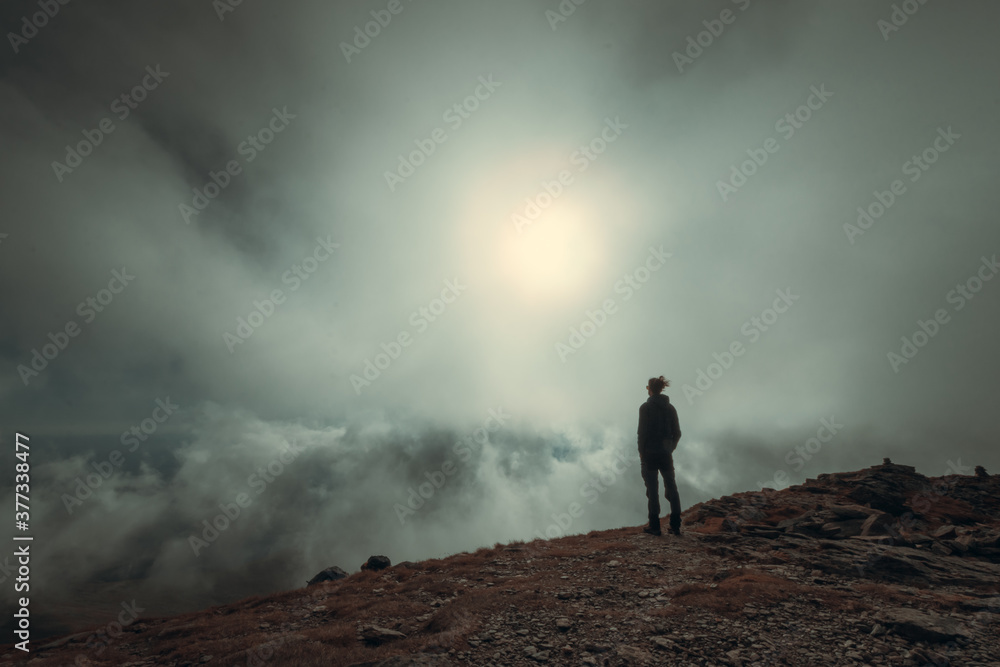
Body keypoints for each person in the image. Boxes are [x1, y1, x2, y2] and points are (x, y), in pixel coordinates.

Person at [637, 376, 682, 536]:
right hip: (665, 454)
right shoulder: (671, 408)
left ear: (649, 388)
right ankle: (676, 525)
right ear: (661, 389)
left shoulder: (645, 408)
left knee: (652, 489)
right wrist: (670, 448)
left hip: (649, 453)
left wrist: (641, 453)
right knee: (672, 487)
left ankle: (654, 526)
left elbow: (642, 433)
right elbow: (677, 433)